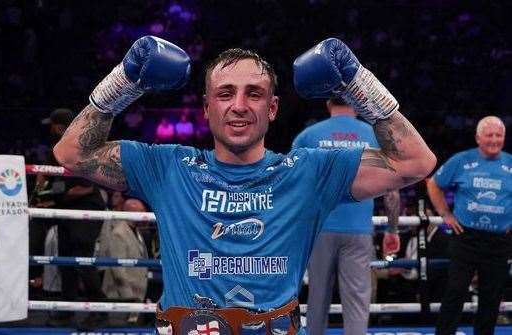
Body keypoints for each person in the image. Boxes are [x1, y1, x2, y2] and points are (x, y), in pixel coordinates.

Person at [53, 35, 435, 334]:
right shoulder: (169, 166)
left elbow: (416, 162)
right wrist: (123, 82)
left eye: (254, 93)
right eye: (225, 93)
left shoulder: (308, 170)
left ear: (272, 108)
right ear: (206, 108)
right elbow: (72, 153)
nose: (239, 105)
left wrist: (357, 81)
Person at [292, 98, 401, 335]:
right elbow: (392, 191)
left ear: (328, 104)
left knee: (317, 297)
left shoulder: (308, 136)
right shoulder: (373, 135)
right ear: (356, 105)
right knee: (357, 302)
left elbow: (292, 186)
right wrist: (392, 230)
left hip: (319, 229)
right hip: (358, 228)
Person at [427, 116, 511, 335]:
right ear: (478, 137)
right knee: (455, 291)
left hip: (499, 241)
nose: (494, 140)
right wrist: (445, 214)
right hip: (465, 237)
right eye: (489, 135)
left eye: (499, 135)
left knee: (491, 298)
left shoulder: (511, 163)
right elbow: (434, 184)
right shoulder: (461, 160)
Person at [38, 108, 107, 328]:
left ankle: (99, 310)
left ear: (59, 127)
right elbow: (48, 183)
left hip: (87, 210)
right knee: (65, 259)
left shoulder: (82, 146)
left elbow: (85, 189)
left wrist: (59, 197)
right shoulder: (55, 151)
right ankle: (67, 311)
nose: (49, 129)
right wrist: (42, 181)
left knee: (82, 257)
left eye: (52, 125)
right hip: (68, 211)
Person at [102, 198, 149, 324]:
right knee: (118, 328)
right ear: (131, 212)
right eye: (141, 211)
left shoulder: (136, 231)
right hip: (120, 296)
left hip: (136, 294)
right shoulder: (119, 232)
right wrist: (128, 297)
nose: (145, 215)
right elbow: (117, 269)